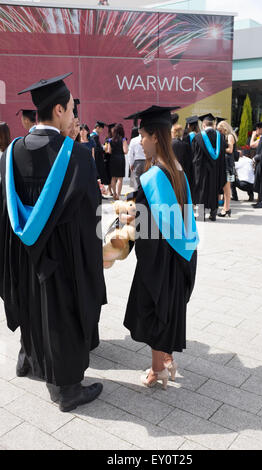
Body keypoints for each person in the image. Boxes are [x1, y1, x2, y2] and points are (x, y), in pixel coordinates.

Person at [0, 73, 106, 412]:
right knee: (61, 315)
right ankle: (67, 390)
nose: (75, 115)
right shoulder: (76, 157)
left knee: (30, 306)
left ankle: (28, 359)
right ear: (58, 109)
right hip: (62, 259)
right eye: (72, 108)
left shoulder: (11, 153)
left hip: (22, 254)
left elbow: (6, 213)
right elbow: (91, 217)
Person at [123, 105, 199, 389]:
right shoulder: (176, 168)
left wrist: (127, 217)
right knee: (164, 309)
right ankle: (166, 360)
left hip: (158, 257)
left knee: (153, 309)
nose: (140, 141)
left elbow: (144, 220)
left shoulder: (154, 174)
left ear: (155, 136)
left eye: (142, 135)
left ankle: (158, 371)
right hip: (179, 255)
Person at [192, 113, 226, 221]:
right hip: (215, 170)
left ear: (203, 125)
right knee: (214, 189)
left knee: (202, 189)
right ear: (213, 124)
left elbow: (195, 156)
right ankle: (213, 213)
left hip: (202, 170)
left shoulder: (198, 137)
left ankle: (201, 214)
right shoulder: (220, 137)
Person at [217, 121, 237, 217]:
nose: (219, 132)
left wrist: (219, 149)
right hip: (226, 164)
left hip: (228, 165)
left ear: (224, 128)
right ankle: (226, 208)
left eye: (220, 130)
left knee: (227, 189)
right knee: (226, 188)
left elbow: (230, 150)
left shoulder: (229, 136)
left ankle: (226, 208)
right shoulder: (227, 136)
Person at [107, 123, 128, 200]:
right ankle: (118, 195)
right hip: (120, 159)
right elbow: (125, 151)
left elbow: (109, 151)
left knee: (113, 177)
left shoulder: (110, 140)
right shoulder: (123, 139)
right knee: (120, 178)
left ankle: (114, 193)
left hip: (113, 159)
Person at [171, 124, 194, 195]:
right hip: (183, 174)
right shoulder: (185, 145)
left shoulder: (168, 144)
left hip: (171, 173)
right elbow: (189, 162)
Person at [90, 121, 110, 185]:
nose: (101, 131)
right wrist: (103, 148)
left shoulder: (91, 135)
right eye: (101, 129)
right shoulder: (95, 136)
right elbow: (96, 149)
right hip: (97, 159)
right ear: (97, 128)